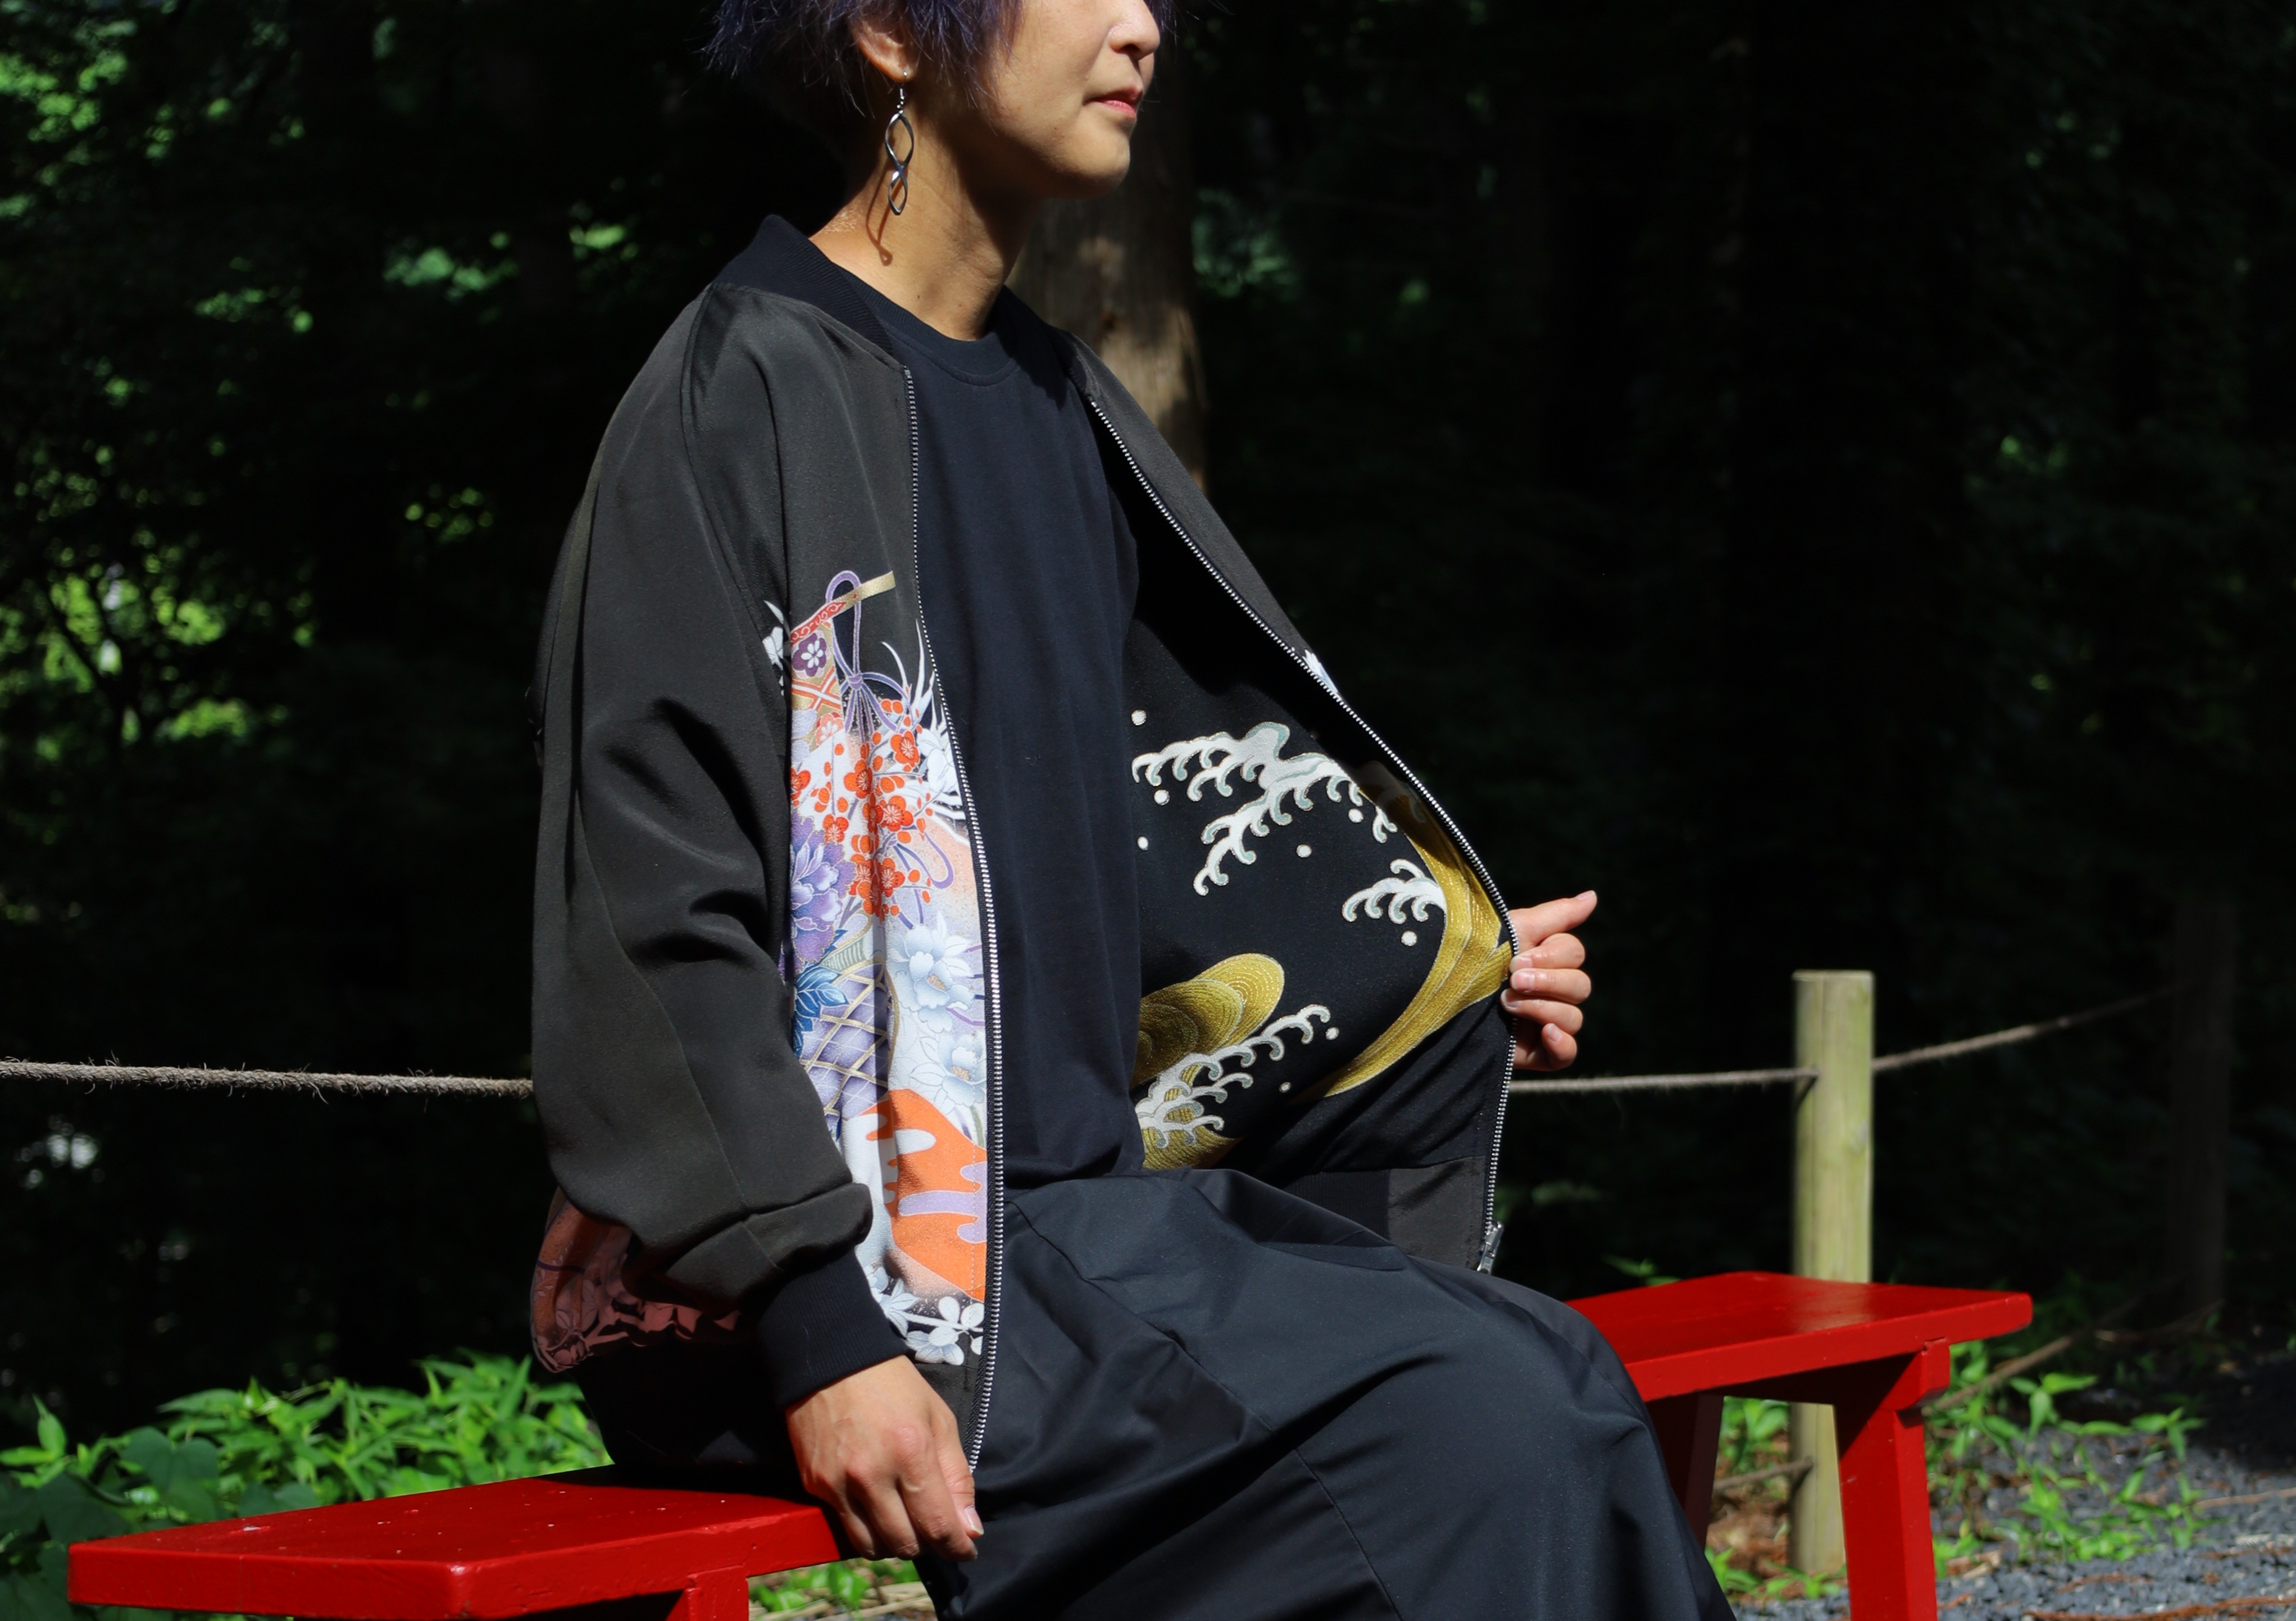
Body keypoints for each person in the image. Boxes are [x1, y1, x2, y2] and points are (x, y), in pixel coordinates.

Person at [525, 2, 1733, 1618]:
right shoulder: (742, 395)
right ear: (888, 32)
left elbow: (1137, 860)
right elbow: (649, 922)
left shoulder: (1060, 406)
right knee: (1494, 1421)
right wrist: (821, 1328)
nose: (1144, 25)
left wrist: (1426, 965)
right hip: (832, 1290)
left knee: (1547, 1386)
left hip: (1080, 1242)